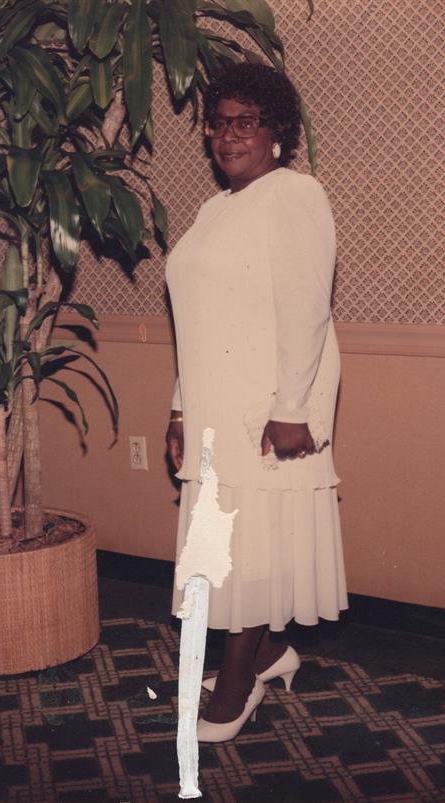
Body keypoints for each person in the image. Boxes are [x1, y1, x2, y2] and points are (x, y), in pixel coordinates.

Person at [165, 62, 347, 743]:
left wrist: (292, 407)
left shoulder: (295, 194)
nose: (228, 135)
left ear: (277, 131)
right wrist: (180, 406)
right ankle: (271, 653)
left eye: (245, 121)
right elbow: (196, 321)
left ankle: (238, 679)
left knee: (248, 544)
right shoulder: (215, 208)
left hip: (270, 402)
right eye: (218, 123)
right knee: (234, 539)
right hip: (215, 401)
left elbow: (307, 308)